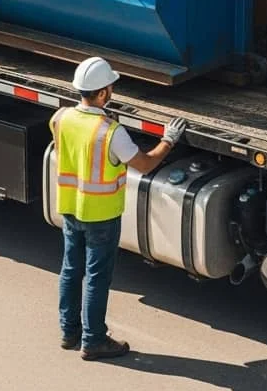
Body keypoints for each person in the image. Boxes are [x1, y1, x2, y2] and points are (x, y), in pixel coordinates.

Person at [52, 56, 187, 360]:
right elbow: (146, 163)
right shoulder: (110, 132)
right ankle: (94, 340)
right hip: (101, 214)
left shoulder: (60, 118)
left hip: (71, 207)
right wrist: (169, 140)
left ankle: (69, 331)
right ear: (101, 94)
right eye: (110, 87)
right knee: (97, 276)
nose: (112, 90)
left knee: (71, 270)